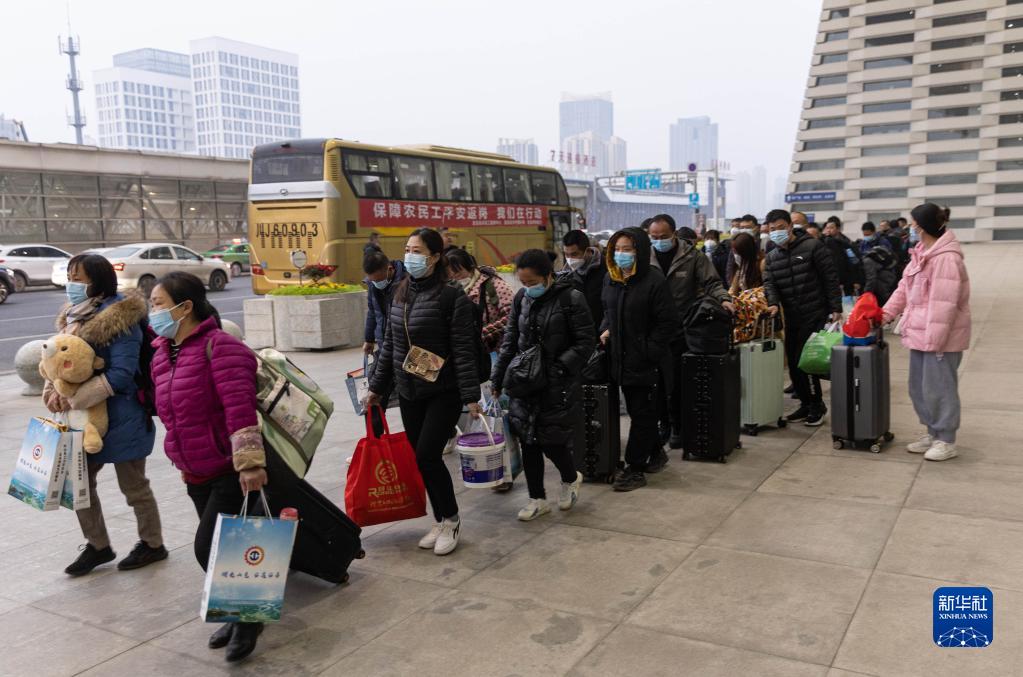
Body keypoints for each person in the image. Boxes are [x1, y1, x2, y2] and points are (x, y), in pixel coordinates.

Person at [148, 271, 267, 662]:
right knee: (222, 549)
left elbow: (239, 409)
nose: (153, 312)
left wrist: (249, 464)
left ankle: (249, 620)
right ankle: (237, 615)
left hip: (227, 468)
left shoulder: (222, 347)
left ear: (185, 307)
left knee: (209, 548)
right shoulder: (163, 353)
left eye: (158, 304)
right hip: (193, 468)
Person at [44, 254, 165, 577]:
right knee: (78, 483)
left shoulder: (119, 318)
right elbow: (56, 359)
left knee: (134, 487)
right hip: (82, 419)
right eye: (70, 277)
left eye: (78, 278)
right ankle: (97, 545)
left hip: (123, 416)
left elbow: (123, 373)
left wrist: (75, 397)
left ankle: (153, 544)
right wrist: (53, 390)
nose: (72, 284)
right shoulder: (74, 315)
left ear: (97, 280)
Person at [367, 228, 481, 555]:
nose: (410, 256)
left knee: (427, 455)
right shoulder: (400, 292)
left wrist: (471, 395)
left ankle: (452, 519)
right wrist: (376, 388)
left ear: (434, 257)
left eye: (417, 251)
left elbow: (463, 349)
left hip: (443, 389)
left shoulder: (451, 297)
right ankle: (440, 519)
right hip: (409, 390)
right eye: (407, 249)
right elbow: (390, 345)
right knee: (422, 461)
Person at [491, 249, 593, 520]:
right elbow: (510, 339)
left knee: (551, 440)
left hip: (556, 383)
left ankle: (570, 478)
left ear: (548, 276)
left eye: (532, 282)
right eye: (523, 283)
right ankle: (537, 499)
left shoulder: (571, 298)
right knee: (528, 440)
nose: (528, 287)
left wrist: (558, 368)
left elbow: (586, 342)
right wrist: (498, 378)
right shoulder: (521, 298)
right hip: (523, 381)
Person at [883, 204, 970, 462]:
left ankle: (946, 439)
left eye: (913, 223)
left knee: (940, 389)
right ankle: (933, 432)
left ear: (922, 226)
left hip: (940, 339)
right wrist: (885, 313)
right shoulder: (922, 252)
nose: (910, 228)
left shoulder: (946, 258)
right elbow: (904, 288)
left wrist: (935, 342)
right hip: (920, 334)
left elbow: (944, 305)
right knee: (920, 389)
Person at [600, 227, 678, 491]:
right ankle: (655, 453)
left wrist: (648, 351)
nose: (621, 254)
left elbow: (668, 323)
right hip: (620, 358)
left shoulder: (654, 281)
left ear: (640, 251)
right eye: (617, 249)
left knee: (642, 414)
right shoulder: (611, 278)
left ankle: (635, 468)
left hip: (646, 361)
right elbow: (608, 311)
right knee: (638, 412)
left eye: (627, 249)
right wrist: (606, 330)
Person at [648, 213, 732, 448]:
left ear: (674, 234)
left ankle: (678, 426)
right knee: (656, 383)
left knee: (676, 382)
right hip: (652, 331)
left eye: (663, 236)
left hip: (681, 328)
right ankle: (663, 424)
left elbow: (712, 282)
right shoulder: (644, 257)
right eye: (654, 237)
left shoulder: (692, 257)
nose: (658, 241)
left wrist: (724, 299)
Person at [764, 209, 842, 427]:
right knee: (793, 363)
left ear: (790, 226)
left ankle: (817, 405)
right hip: (792, 316)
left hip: (815, 311)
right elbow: (770, 284)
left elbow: (830, 277)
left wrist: (835, 307)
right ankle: (806, 404)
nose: (777, 232)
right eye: (772, 229)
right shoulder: (772, 256)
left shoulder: (812, 246)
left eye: (781, 227)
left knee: (807, 361)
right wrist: (773, 303)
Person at [445, 248, 515, 355]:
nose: (455, 278)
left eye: (458, 273)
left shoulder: (493, 285)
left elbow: (511, 317)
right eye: (450, 275)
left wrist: (482, 334)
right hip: (467, 350)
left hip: (497, 349)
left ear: (471, 268)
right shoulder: (450, 290)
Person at [363, 251, 407, 358]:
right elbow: (372, 312)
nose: (376, 284)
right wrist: (369, 339)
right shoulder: (373, 285)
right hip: (383, 342)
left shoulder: (406, 282)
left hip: (401, 344)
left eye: (379, 280)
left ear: (390, 269)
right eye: (373, 281)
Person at [561, 229, 607, 329]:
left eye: (574, 254)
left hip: (601, 330)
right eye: (566, 254)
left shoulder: (607, 269)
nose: (570, 259)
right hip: (579, 331)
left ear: (587, 251)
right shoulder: (565, 275)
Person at [823, 217, 862, 297]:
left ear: (838, 229)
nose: (828, 230)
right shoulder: (823, 242)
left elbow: (854, 261)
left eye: (831, 228)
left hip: (846, 281)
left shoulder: (846, 244)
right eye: (827, 228)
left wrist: (856, 280)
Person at [862, 238, 898, 306]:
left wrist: (866, 293)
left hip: (882, 284)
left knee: (885, 304)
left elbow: (871, 278)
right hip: (889, 278)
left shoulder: (867, 261)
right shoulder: (874, 258)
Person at [725, 214, 760, 284]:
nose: (744, 230)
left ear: (756, 228)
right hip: (739, 284)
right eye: (742, 228)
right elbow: (730, 268)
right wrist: (732, 284)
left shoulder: (761, 245)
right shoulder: (736, 245)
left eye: (748, 227)